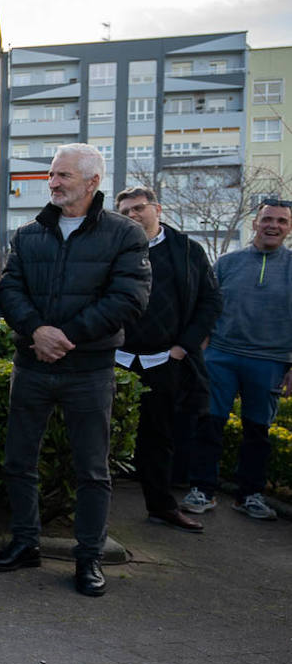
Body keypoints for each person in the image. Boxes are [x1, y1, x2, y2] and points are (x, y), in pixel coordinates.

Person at [0, 143, 150, 597]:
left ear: (93, 182)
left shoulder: (124, 235)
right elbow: (9, 289)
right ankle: (25, 544)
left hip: (89, 370)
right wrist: (37, 331)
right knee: (19, 461)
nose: (53, 183)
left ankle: (88, 558)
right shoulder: (28, 234)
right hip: (32, 364)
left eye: (63, 176)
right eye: (52, 175)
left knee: (92, 470)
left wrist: (66, 337)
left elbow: (129, 299)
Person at [114, 187, 220, 533]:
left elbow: (209, 302)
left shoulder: (188, 250)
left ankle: (161, 507)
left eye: (139, 208)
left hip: (164, 359)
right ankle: (87, 513)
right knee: (97, 437)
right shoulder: (112, 247)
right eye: (124, 210)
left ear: (157, 209)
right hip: (115, 357)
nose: (132, 215)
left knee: (158, 438)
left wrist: (182, 348)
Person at [183, 199, 292, 522]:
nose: (274, 226)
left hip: (270, 361)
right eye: (268, 219)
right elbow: (206, 306)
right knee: (209, 425)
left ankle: (250, 496)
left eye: (282, 221)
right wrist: (202, 350)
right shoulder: (227, 263)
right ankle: (202, 490)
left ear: (289, 227)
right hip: (221, 356)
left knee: (257, 432)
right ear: (255, 222)